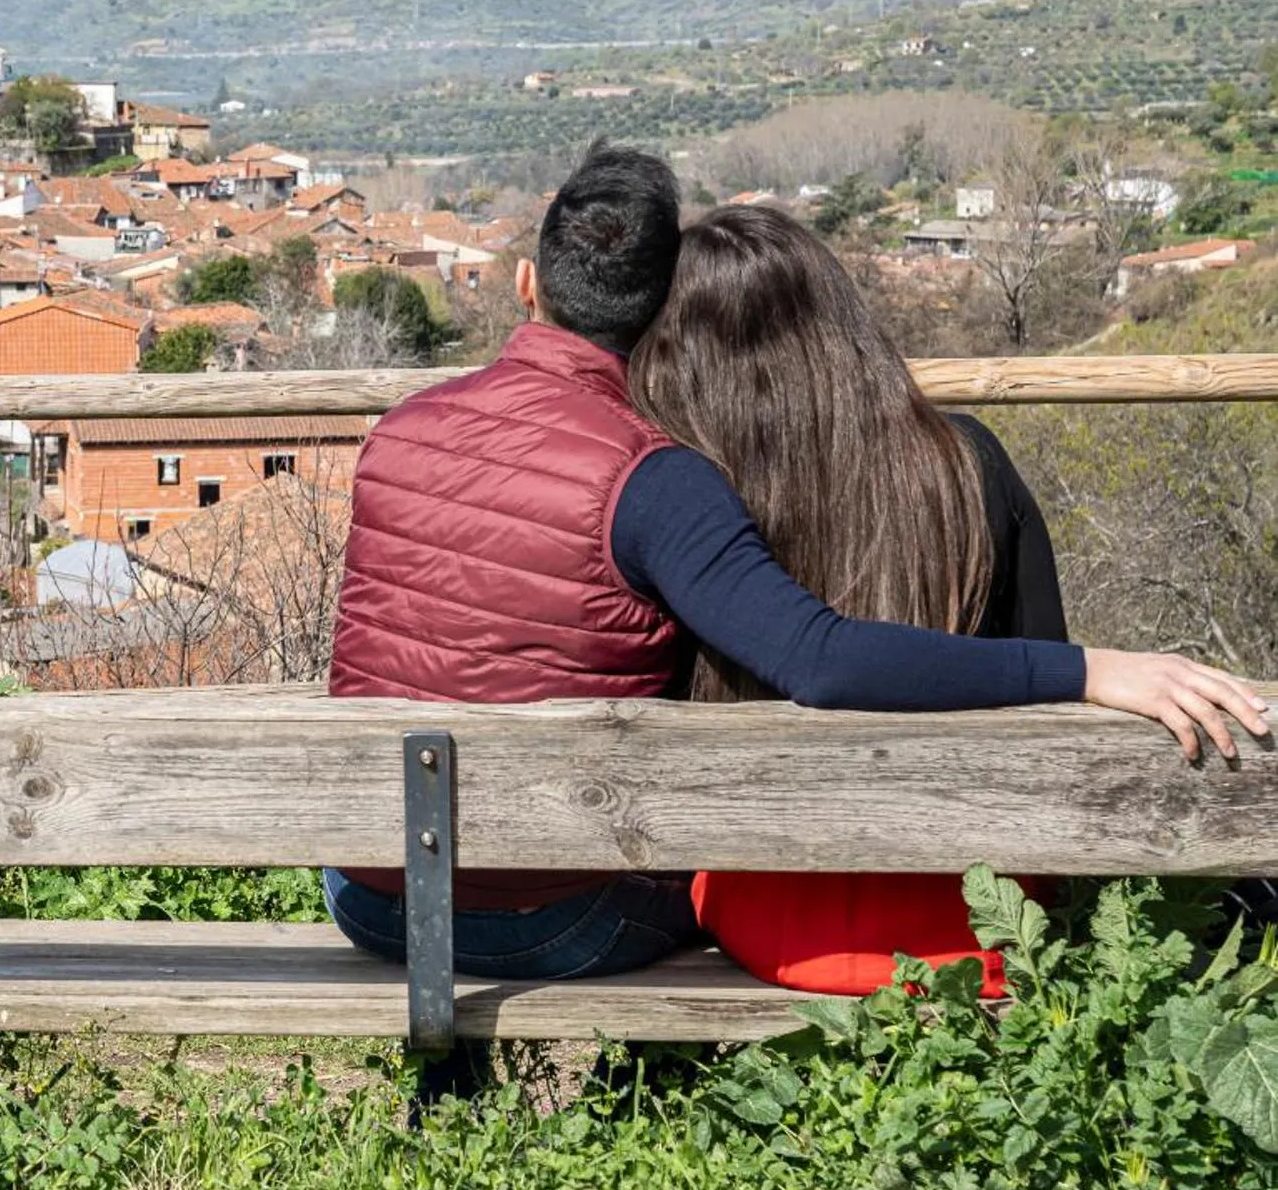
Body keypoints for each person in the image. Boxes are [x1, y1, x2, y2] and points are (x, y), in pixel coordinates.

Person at [323, 146, 1266, 1000]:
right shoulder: (667, 485)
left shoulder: (410, 431)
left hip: (376, 889)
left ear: (527, 284)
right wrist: (1095, 670)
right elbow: (824, 658)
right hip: (871, 926)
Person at [628, 203, 1064, 996]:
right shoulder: (971, 463)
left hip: (769, 917)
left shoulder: (688, 503)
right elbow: (1046, 684)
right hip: (978, 922)